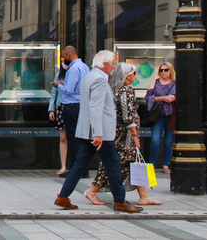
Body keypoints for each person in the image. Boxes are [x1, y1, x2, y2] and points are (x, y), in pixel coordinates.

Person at [53, 50, 143, 213]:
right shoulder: (100, 80)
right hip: (98, 132)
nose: (114, 67)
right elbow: (96, 108)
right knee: (113, 165)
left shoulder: (90, 76)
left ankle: (63, 197)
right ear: (106, 65)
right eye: (113, 64)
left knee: (80, 164)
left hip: (87, 131)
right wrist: (98, 134)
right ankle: (120, 201)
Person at [83, 62, 161, 207]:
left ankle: (143, 196)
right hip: (124, 136)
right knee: (116, 164)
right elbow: (127, 116)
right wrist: (135, 136)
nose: (134, 76)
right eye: (133, 73)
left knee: (132, 163)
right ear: (126, 76)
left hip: (122, 134)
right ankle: (92, 190)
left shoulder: (119, 90)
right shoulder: (125, 91)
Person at [55, 46, 89, 179]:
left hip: (71, 105)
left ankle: (76, 169)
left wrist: (58, 85)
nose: (63, 59)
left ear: (69, 54)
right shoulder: (84, 67)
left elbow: (69, 90)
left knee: (73, 138)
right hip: (81, 103)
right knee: (81, 137)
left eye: (64, 56)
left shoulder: (74, 68)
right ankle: (83, 168)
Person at [145, 61, 176, 176]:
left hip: (171, 115)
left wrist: (174, 98)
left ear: (170, 71)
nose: (163, 72)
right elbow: (148, 98)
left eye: (166, 70)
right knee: (155, 140)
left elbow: (182, 98)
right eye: (161, 70)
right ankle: (152, 163)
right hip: (158, 115)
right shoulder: (155, 82)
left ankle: (166, 164)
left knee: (169, 141)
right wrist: (162, 98)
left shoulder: (175, 83)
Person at [48, 59, 69, 176]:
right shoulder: (58, 75)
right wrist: (52, 109)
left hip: (72, 106)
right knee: (63, 137)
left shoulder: (74, 73)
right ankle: (63, 165)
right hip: (60, 106)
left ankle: (72, 164)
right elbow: (53, 93)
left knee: (73, 137)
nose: (63, 63)